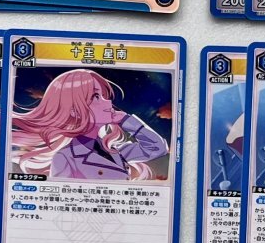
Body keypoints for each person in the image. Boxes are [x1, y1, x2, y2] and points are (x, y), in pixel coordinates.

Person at [11, 69, 168, 181]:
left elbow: (158, 148)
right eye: (96, 96)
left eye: (106, 97)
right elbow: (63, 204)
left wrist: (126, 120)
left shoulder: (113, 150)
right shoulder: (65, 157)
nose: (108, 103)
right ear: (74, 110)